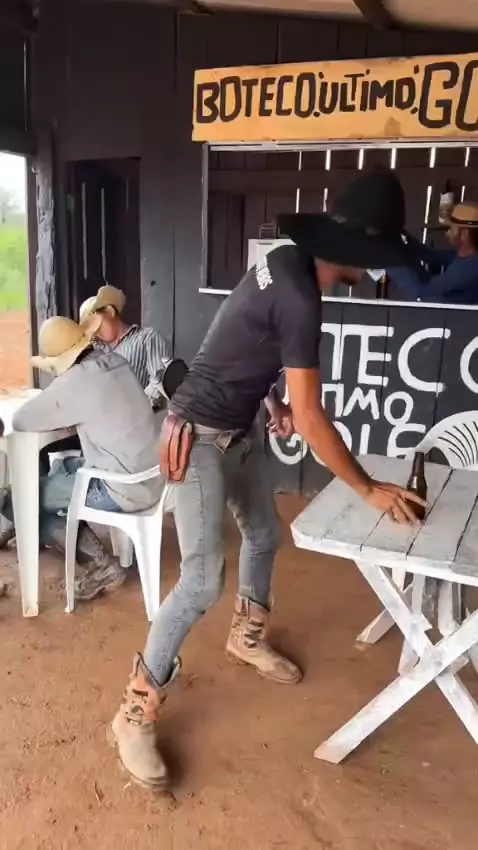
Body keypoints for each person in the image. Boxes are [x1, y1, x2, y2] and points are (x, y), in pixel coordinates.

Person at [109, 170, 426, 790]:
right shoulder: (301, 296)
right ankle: (134, 711)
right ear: (350, 250)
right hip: (197, 437)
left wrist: (271, 401)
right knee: (201, 580)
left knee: (263, 533)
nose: (372, 269)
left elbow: (242, 343)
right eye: (372, 256)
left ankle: (245, 638)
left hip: (241, 426)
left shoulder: (284, 262)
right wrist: (367, 488)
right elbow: (312, 416)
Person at [3, 315, 164, 601]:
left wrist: (64, 414)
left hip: (122, 488)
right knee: (59, 469)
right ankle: (24, 524)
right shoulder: (114, 361)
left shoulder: (74, 383)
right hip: (153, 476)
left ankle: (100, 565)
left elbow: (20, 420)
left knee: (22, 498)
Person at [79, 285, 170, 408]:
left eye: (98, 325)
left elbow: (159, 381)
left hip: (139, 413)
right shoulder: (96, 350)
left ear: (110, 311)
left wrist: (135, 407)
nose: (97, 332)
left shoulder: (146, 338)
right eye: (93, 330)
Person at [386, 202, 478, 304]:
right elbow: (431, 255)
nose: (448, 233)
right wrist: (405, 238)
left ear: (464, 234)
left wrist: (391, 263)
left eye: (451, 228)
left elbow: (422, 295)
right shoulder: (467, 257)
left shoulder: (465, 271)